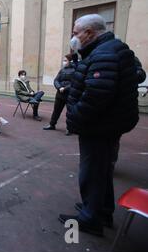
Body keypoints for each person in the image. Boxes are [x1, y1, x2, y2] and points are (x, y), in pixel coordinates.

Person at [59, 14, 140, 236]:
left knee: (92, 171)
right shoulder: (111, 49)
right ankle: (100, 210)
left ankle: (90, 219)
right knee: (102, 170)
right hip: (111, 123)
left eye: (76, 33)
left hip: (99, 126)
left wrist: (75, 115)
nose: (74, 38)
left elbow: (96, 95)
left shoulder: (104, 54)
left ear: (90, 33)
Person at [43, 55, 76, 134]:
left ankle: (69, 128)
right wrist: (59, 87)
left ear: (70, 61)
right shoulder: (62, 70)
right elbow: (56, 80)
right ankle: (52, 124)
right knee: (56, 110)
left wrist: (65, 88)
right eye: (63, 60)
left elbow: (74, 82)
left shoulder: (75, 70)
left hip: (69, 94)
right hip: (60, 94)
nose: (64, 62)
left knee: (70, 112)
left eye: (65, 60)